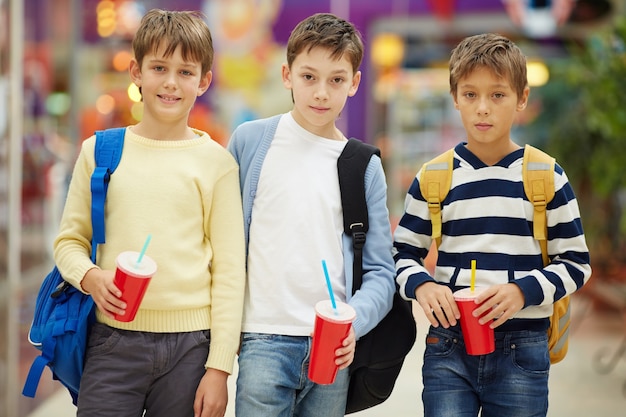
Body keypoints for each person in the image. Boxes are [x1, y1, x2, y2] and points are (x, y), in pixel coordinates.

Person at [53, 9, 246, 417]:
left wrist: (219, 368)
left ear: (204, 80)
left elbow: (230, 272)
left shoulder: (217, 163)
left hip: (191, 350)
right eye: (159, 67)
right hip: (111, 342)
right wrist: (90, 276)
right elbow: (70, 240)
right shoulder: (99, 152)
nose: (171, 83)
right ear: (136, 71)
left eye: (185, 71)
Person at [392, 33, 591, 417]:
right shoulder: (434, 177)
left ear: (522, 99)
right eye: (470, 95)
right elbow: (403, 254)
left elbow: (577, 263)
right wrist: (424, 286)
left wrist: (522, 292)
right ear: (455, 99)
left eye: (497, 95)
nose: (483, 108)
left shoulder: (546, 176)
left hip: (523, 344)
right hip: (448, 344)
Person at [226, 13, 396, 417]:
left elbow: (381, 271)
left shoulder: (362, 165)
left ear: (354, 82)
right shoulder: (250, 142)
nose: (321, 92)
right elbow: (222, 245)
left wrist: (352, 323)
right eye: (308, 77)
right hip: (262, 340)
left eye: (337, 79)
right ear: (287, 75)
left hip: (332, 348)